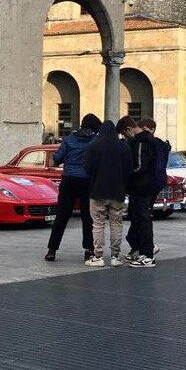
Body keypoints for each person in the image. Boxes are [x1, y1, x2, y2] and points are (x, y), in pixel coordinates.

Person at [44, 113, 100, 263]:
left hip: (69, 180)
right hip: (87, 181)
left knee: (62, 216)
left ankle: (52, 250)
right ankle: (89, 250)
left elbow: (57, 158)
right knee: (87, 217)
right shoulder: (95, 140)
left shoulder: (69, 139)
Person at [83, 120, 132, 268]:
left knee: (98, 224)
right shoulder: (124, 147)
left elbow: (87, 169)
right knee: (116, 223)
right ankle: (115, 256)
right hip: (118, 192)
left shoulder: (93, 147)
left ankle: (98, 256)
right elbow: (129, 170)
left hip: (97, 191)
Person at [122, 117, 159, 267]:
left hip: (141, 186)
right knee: (139, 219)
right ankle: (142, 251)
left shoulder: (140, 142)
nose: (125, 137)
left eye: (124, 134)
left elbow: (139, 166)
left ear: (129, 129)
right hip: (144, 186)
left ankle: (147, 255)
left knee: (143, 220)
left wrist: (126, 174)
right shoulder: (147, 140)